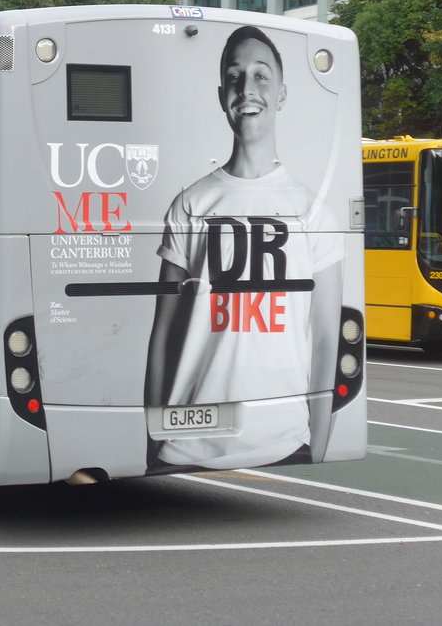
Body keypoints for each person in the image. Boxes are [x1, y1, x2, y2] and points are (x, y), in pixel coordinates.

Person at [144, 25, 342, 471]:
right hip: (186, 442)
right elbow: (163, 335)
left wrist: (319, 444)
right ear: (221, 95)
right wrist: (152, 440)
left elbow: (326, 339)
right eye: (235, 77)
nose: (246, 89)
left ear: (282, 94)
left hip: (285, 442)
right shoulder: (191, 204)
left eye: (260, 76)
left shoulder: (313, 212)